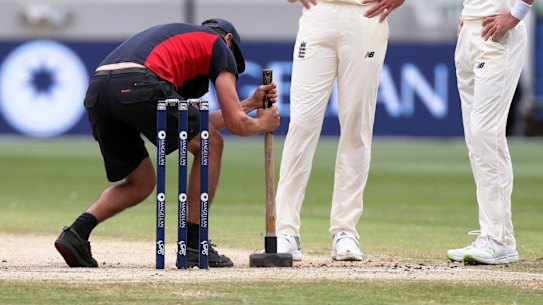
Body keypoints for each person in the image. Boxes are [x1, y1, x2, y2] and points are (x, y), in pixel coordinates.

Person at [54, 19, 280, 268]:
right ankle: (195, 244)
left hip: (100, 90)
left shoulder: (181, 44)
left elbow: (197, 122)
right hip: (140, 83)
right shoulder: (219, 45)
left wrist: (247, 104)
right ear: (228, 41)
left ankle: (77, 233)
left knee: (141, 182)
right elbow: (236, 125)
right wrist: (262, 124)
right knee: (211, 143)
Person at [276, 0, 405, 261]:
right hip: (318, 14)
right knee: (302, 124)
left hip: (366, 16)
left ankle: (345, 230)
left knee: (356, 126)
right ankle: (286, 231)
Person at [447, 0, 533, 265]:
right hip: (471, 30)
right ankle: (492, 234)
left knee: (486, 133)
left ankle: (499, 239)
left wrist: (517, 13)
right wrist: (469, 15)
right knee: (476, 138)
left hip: (499, 31)